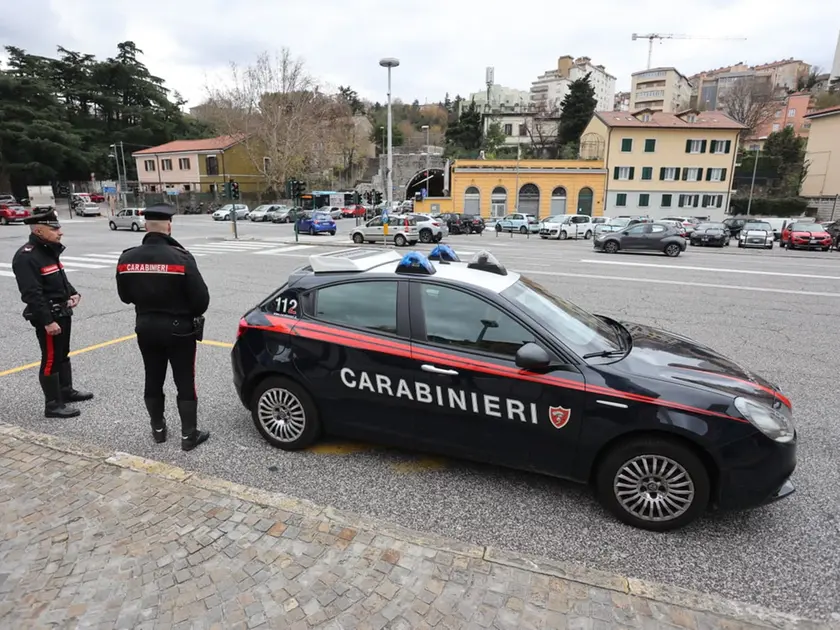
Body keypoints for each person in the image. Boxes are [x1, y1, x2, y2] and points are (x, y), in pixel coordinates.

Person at [116, 204, 211, 451]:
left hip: (146, 326)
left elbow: (125, 297)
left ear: (146, 227)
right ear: (168, 226)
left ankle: (158, 430)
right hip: (180, 329)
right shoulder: (181, 257)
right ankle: (189, 435)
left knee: (153, 377)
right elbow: (201, 301)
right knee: (184, 381)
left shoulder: (127, 258)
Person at [12, 207, 93, 419]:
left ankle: (65, 391)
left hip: (62, 312)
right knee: (50, 358)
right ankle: (53, 404)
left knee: (62, 355)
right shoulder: (27, 257)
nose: (60, 232)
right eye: (54, 228)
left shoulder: (49, 251)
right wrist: (47, 321)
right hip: (49, 316)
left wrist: (72, 292)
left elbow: (58, 279)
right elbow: (32, 294)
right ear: (39, 231)